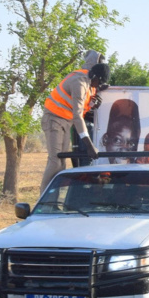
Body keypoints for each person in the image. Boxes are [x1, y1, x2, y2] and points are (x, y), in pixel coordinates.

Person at [40, 50, 109, 194]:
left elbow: (83, 108)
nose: (99, 85)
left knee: (61, 163)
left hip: (65, 122)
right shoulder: (80, 82)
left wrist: (93, 104)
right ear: (94, 70)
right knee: (55, 162)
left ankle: (54, 199)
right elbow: (78, 116)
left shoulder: (89, 84)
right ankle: (44, 200)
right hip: (54, 119)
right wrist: (89, 145)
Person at [101, 99, 141, 164]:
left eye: (131, 144)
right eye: (117, 140)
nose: (124, 150)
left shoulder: (142, 170)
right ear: (105, 139)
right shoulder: (94, 170)